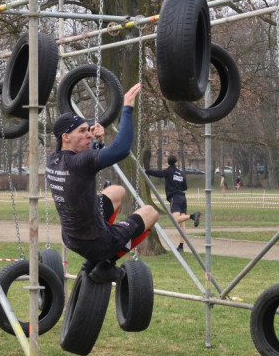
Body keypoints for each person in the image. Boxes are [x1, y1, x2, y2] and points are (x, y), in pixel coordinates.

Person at [46, 83, 158, 283]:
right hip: (97, 242)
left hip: (71, 237)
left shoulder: (53, 160)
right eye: (82, 131)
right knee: (150, 213)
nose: (88, 134)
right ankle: (106, 263)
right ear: (65, 137)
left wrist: (96, 143)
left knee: (116, 191)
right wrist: (128, 108)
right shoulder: (79, 162)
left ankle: (95, 259)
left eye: (88, 130)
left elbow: (86, 166)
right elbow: (121, 149)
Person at [147, 154, 201, 252]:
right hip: (183, 198)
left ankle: (193, 216)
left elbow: (159, 173)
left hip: (175, 198)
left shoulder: (169, 171)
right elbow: (185, 187)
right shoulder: (180, 173)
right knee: (182, 225)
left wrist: (147, 171)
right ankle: (181, 246)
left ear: (168, 162)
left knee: (175, 220)